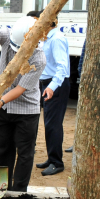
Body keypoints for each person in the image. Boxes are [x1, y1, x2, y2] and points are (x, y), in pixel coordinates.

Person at [0, 15, 46, 192]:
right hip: (4, 107)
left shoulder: (39, 58)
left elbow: (21, 89)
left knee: (25, 152)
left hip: (27, 110)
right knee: (4, 147)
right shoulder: (9, 35)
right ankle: (1, 189)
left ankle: (18, 192)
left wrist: (0, 101)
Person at [35, 13, 70, 176]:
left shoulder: (56, 39)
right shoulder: (46, 39)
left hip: (55, 85)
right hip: (47, 83)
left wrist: (52, 86)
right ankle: (51, 158)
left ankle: (57, 162)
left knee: (54, 124)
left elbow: (62, 66)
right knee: (49, 124)